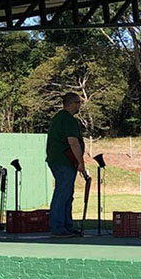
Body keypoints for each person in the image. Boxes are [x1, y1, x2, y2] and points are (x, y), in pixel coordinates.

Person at [46, 92, 87, 238]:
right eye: (77, 103)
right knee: (63, 193)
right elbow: (73, 142)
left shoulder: (58, 118)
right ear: (71, 103)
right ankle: (58, 227)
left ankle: (66, 225)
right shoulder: (68, 119)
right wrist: (80, 162)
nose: (79, 106)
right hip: (64, 161)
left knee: (67, 193)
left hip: (59, 160)